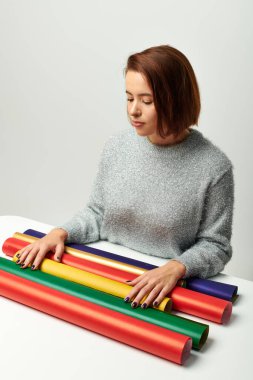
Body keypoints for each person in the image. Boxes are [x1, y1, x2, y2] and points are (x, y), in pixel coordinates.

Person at [16, 44, 234, 310]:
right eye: (129, 98)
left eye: (147, 100)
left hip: (163, 291)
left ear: (176, 99)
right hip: (102, 270)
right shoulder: (117, 146)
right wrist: (61, 232)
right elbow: (98, 213)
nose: (133, 111)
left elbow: (216, 246)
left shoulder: (214, 167)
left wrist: (178, 268)